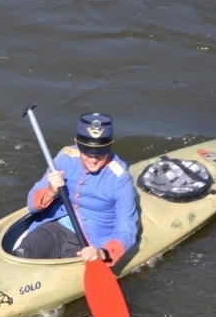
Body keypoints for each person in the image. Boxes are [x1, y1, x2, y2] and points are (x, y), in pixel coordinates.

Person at [13, 113, 139, 265]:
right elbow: (32, 203)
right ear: (77, 143)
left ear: (110, 145)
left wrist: (102, 253)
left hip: (89, 243)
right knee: (20, 256)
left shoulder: (120, 179)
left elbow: (127, 230)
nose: (93, 159)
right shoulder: (65, 157)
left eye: (100, 152)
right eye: (87, 151)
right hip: (54, 226)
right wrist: (51, 191)